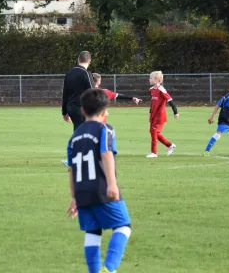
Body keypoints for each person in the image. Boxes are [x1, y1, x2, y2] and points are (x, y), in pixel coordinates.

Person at [66, 89, 131, 273]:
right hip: (101, 188)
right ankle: (109, 269)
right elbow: (106, 153)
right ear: (103, 113)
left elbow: (71, 169)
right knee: (123, 227)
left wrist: (74, 197)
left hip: (82, 191)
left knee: (93, 232)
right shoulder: (105, 129)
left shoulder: (74, 137)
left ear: (83, 112)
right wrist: (112, 183)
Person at [61, 51, 94, 166]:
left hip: (71, 107)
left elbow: (65, 93)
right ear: (89, 61)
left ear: (78, 59)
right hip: (82, 108)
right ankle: (74, 160)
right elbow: (92, 92)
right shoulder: (86, 73)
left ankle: (80, 158)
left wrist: (64, 112)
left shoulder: (69, 73)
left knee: (79, 132)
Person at [147, 71, 178, 158]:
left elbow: (170, 101)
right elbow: (152, 103)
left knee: (154, 132)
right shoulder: (151, 90)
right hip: (153, 115)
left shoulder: (162, 90)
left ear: (157, 80)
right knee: (154, 132)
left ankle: (154, 152)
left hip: (160, 115)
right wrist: (150, 112)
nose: (149, 79)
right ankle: (170, 145)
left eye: (151, 78)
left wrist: (175, 112)